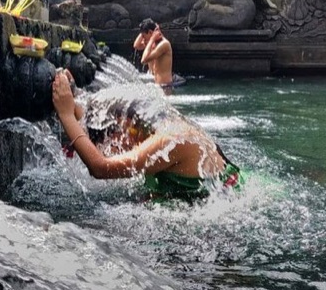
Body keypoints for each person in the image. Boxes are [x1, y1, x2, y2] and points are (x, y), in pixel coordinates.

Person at [51, 70, 241, 200]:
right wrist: (72, 95)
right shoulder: (151, 126)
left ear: (126, 123)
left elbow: (100, 168)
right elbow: (95, 127)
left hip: (225, 206)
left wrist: (66, 116)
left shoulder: (170, 139)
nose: (109, 145)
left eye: (111, 136)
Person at [132, 19, 174, 87]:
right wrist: (144, 30)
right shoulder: (152, 43)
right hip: (157, 85)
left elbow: (144, 60)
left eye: (143, 36)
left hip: (165, 86)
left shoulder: (164, 44)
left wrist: (152, 38)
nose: (143, 38)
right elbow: (136, 45)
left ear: (150, 32)